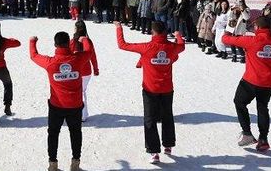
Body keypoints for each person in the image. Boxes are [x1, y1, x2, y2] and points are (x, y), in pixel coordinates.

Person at [115, 20, 185, 165]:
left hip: (150, 89)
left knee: (150, 119)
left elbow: (123, 45)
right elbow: (181, 47)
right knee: (167, 116)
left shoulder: (147, 47)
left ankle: (154, 151)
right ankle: (168, 144)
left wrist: (119, 28)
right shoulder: (171, 47)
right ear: (165, 32)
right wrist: (178, 35)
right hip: (167, 89)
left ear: (153, 32)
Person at [222, 16, 271, 152]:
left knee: (239, 102)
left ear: (257, 28)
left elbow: (225, 39)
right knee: (263, 107)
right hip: (269, 82)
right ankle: (263, 139)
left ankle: (247, 133)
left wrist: (228, 30)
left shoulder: (251, 41)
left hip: (251, 80)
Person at [30, 30, 92, 171]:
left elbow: (33, 56)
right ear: (68, 43)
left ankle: (53, 165)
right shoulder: (77, 59)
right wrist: (84, 40)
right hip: (75, 106)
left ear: (55, 45)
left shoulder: (50, 62)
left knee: (53, 134)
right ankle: (75, 165)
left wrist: (32, 41)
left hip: (56, 106)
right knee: (76, 133)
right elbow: (89, 51)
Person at [69, 20, 99, 122]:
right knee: (82, 92)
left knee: (77, 93)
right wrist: (95, 69)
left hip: (76, 71)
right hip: (86, 72)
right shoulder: (88, 41)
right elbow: (93, 56)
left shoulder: (73, 41)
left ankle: (78, 114)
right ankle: (83, 114)